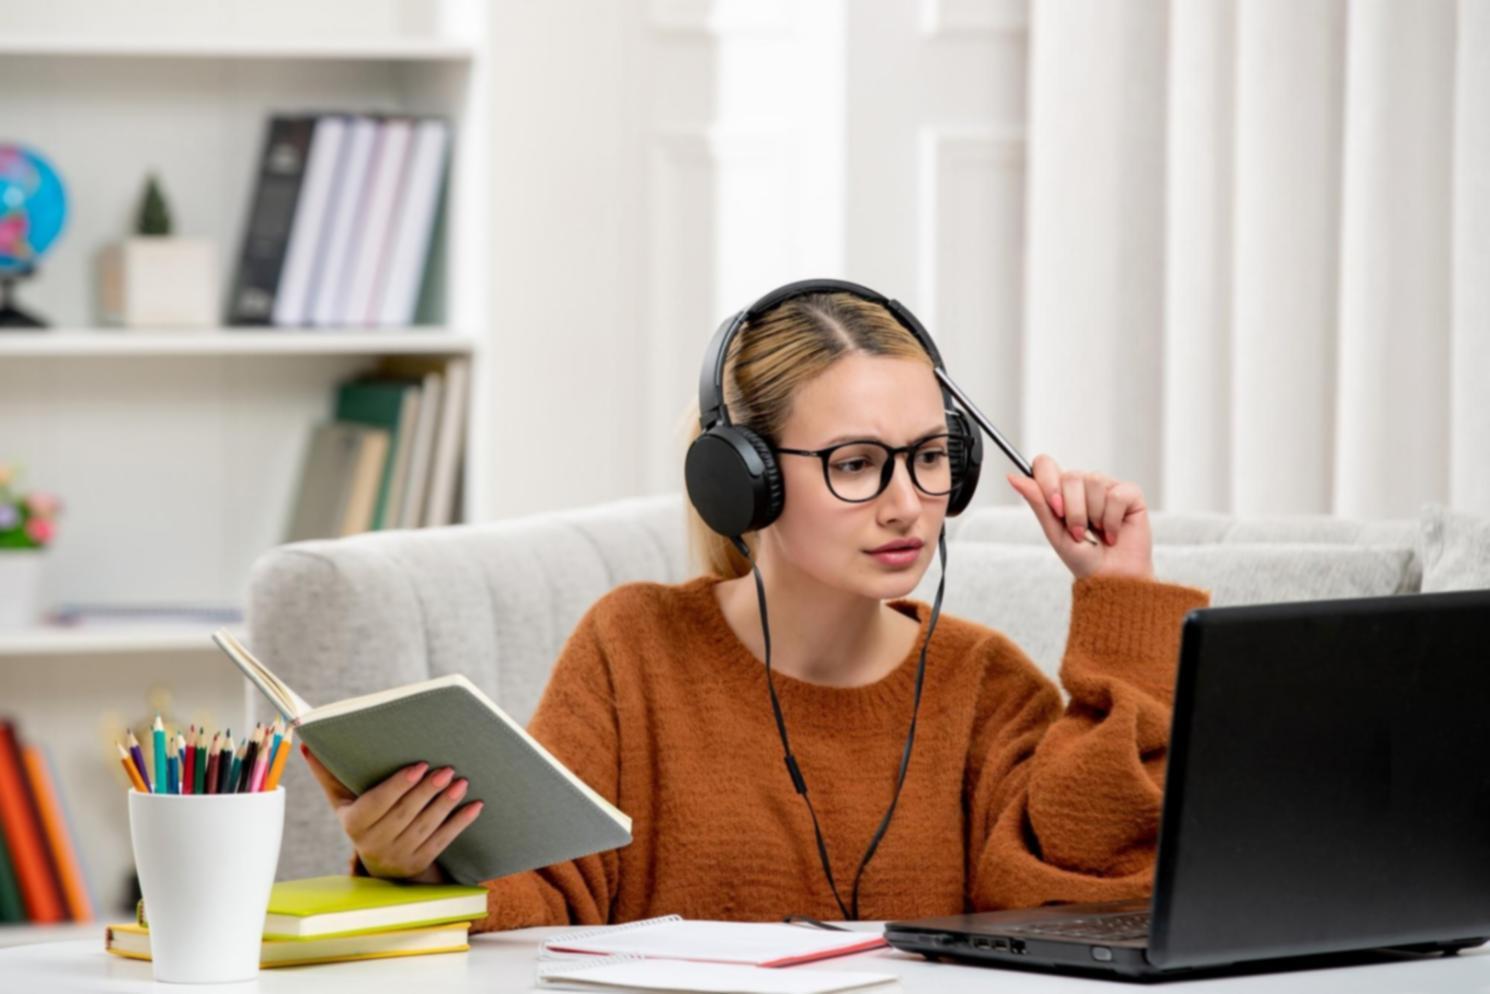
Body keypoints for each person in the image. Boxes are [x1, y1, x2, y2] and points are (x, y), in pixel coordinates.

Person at [303, 287, 1210, 931]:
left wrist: (1117, 598)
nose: (907, 504)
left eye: (931, 457)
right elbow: (544, 901)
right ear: (745, 481)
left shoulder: (986, 685)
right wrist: (417, 865)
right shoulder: (635, 648)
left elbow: (1090, 901)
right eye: (856, 464)